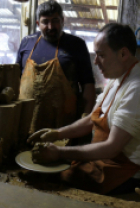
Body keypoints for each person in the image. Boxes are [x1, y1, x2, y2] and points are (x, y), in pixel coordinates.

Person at [28, 23, 140, 195]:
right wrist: (58, 133)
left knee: (52, 183)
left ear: (123, 53)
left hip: (124, 172)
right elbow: (92, 119)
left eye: (101, 55)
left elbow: (112, 147)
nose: (95, 61)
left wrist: (59, 153)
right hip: (106, 160)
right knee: (47, 173)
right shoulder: (118, 78)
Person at [17, 0, 95, 135]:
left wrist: (86, 118)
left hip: (63, 125)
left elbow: (88, 84)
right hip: (27, 122)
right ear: (37, 24)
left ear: (63, 20)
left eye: (55, 20)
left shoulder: (76, 45)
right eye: (45, 22)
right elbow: (16, 77)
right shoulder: (27, 42)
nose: (50, 26)